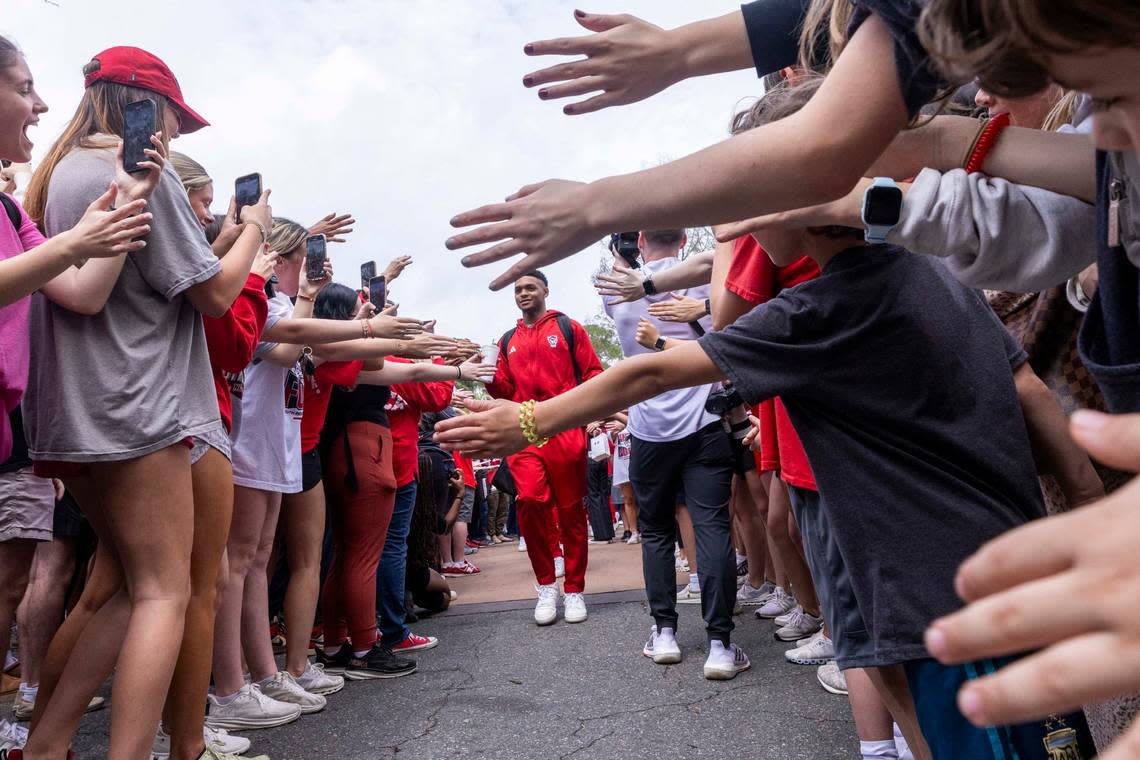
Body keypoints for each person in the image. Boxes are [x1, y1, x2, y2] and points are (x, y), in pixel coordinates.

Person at [437, 73, 1106, 759]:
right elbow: (1025, 390)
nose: (748, 219)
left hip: (941, 600)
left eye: (760, 191)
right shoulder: (933, 271)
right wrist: (1085, 508)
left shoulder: (820, 310)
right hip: (1008, 569)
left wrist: (528, 422)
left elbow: (656, 368)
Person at [603, 229, 747, 680]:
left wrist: (625, 255)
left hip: (648, 430)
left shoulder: (619, 293)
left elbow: (616, 272)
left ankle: (664, 633)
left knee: (657, 532)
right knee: (712, 527)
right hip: (704, 423)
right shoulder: (706, 282)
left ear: (639, 242)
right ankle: (720, 644)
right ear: (684, 237)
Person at [484, 270, 603, 625]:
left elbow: (594, 373)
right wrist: (487, 374)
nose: (523, 293)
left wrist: (584, 412)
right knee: (531, 501)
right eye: (518, 289)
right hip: (524, 430)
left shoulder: (568, 328)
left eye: (530, 287)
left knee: (570, 512)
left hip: (565, 428)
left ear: (545, 290)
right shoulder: (507, 340)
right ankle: (547, 584)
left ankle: (576, 590)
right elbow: (504, 391)